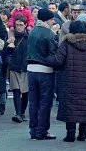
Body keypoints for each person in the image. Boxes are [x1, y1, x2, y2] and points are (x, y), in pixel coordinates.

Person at [45, 21, 86, 142]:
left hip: (68, 82)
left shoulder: (66, 44)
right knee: (84, 108)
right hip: (85, 84)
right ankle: (83, 134)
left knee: (70, 108)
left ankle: (70, 134)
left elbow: (58, 61)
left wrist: (48, 58)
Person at [27, 9, 58, 140]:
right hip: (45, 70)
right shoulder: (49, 34)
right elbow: (53, 54)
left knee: (33, 102)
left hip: (31, 70)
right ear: (47, 20)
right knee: (45, 102)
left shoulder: (32, 31)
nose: (53, 21)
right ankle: (42, 131)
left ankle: (33, 130)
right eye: (52, 19)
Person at [4, 15, 29, 123]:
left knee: (25, 92)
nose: (19, 27)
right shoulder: (12, 37)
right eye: (17, 25)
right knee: (16, 91)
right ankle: (18, 114)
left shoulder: (29, 38)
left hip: (26, 68)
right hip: (14, 66)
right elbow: (4, 53)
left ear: (25, 25)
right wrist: (7, 44)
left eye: (21, 25)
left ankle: (22, 113)